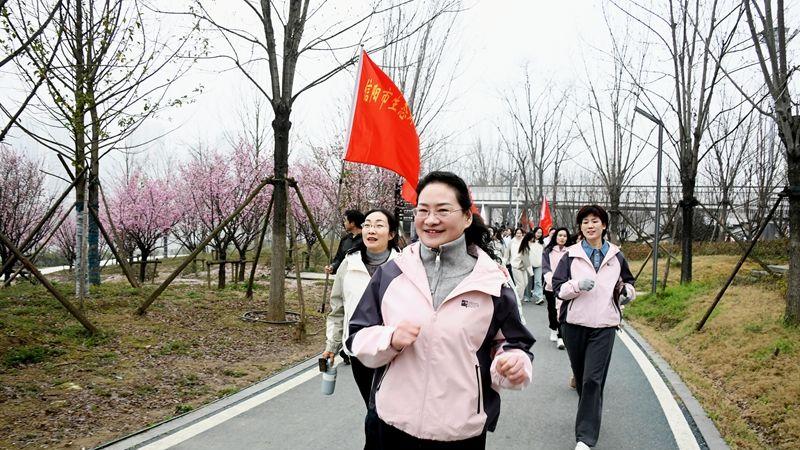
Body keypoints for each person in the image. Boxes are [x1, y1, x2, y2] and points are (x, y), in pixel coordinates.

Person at [347, 171, 535, 449]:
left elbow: (513, 343)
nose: (431, 219)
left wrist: (513, 364)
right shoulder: (391, 273)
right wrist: (390, 339)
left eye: (443, 210)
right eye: (423, 210)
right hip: (392, 424)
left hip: (459, 432)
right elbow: (357, 335)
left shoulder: (492, 282)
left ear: (467, 217)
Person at [552, 205, 636, 450]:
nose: (590, 225)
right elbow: (558, 288)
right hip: (574, 325)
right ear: (580, 227)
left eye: (594, 221)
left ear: (604, 225)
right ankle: (589, 411)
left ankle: (585, 438)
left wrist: (627, 294)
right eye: (585, 221)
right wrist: (577, 285)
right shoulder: (570, 254)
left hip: (604, 325)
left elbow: (628, 283)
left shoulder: (616, 255)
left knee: (592, 380)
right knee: (581, 378)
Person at [322, 208, 401, 406]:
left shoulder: (404, 265)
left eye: (379, 225)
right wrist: (332, 346)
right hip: (358, 348)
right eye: (367, 225)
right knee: (371, 405)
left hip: (394, 350)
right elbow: (338, 309)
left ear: (391, 234)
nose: (371, 230)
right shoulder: (348, 264)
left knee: (386, 409)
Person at [541, 227, 573, 350]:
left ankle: (561, 336)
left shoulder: (570, 251)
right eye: (560, 235)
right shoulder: (548, 251)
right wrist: (553, 282)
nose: (562, 238)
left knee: (562, 310)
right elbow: (545, 267)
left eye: (565, 236)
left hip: (565, 287)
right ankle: (553, 328)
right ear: (556, 237)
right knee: (552, 310)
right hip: (550, 286)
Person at [325, 209, 365, 275]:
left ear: (352, 223)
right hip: (344, 276)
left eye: (346, 221)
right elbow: (339, 258)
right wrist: (332, 267)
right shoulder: (345, 239)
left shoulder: (366, 240)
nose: (344, 223)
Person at [520, 227, 545, 305]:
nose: (539, 234)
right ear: (534, 232)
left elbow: (545, 254)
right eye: (537, 232)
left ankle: (539, 297)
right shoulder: (529, 241)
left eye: (540, 233)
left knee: (538, 281)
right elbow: (524, 253)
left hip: (539, 265)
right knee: (528, 281)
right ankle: (527, 296)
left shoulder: (542, 243)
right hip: (529, 264)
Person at [508, 228, 526, 301]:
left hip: (523, 265)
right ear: (515, 234)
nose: (519, 235)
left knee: (524, 283)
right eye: (517, 233)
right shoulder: (512, 242)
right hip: (515, 265)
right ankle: (515, 299)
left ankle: (517, 298)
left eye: (520, 233)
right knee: (520, 284)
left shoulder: (524, 242)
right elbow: (508, 253)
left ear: (522, 234)